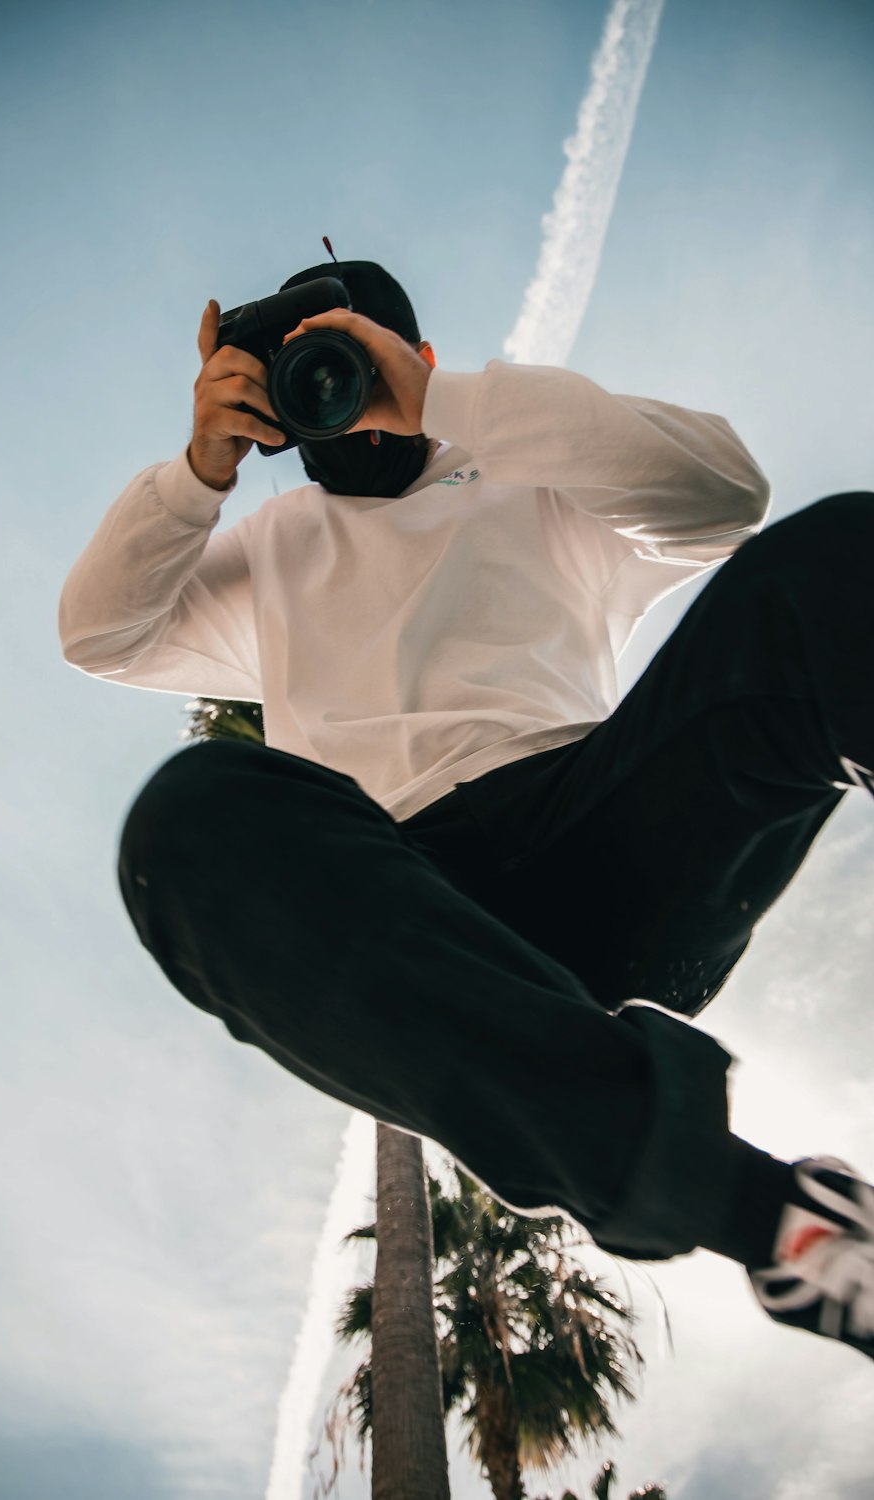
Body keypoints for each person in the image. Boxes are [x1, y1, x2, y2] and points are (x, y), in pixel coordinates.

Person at [59, 258, 874, 1362]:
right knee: (186, 821)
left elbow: (724, 496)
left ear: (418, 357)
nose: (338, 381)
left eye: (357, 351)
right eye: (311, 366)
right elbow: (99, 632)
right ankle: (783, 1223)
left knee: (843, 552)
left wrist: (449, 405)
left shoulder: (527, 477)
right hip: (416, 906)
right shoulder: (266, 549)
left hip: (607, 832)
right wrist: (201, 471)